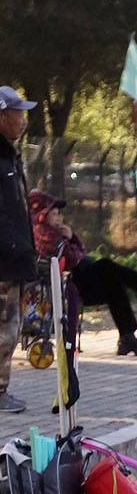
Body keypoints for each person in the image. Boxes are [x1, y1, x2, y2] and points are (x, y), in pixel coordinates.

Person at [28, 190, 137, 357]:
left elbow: (79, 253)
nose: (58, 218)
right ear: (42, 214)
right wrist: (69, 239)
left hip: (76, 280)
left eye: (58, 214)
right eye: (53, 214)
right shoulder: (42, 232)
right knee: (107, 268)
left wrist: (71, 238)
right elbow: (71, 258)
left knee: (112, 280)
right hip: (65, 285)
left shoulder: (55, 232)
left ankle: (128, 336)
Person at [0, 85, 37, 415]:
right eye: (18, 112)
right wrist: (16, 246)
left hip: (14, 261)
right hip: (4, 262)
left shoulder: (10, 155)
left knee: (10, 328)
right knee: (4, 330)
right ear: (1, 115)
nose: (23, 119)